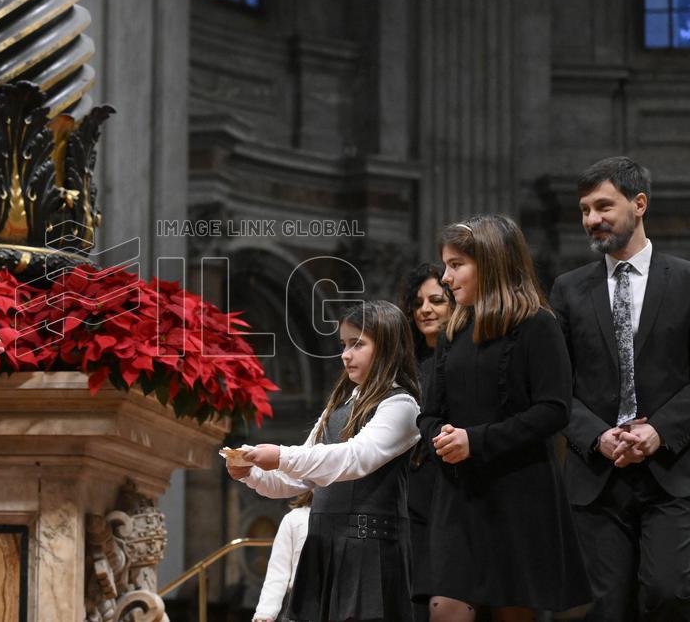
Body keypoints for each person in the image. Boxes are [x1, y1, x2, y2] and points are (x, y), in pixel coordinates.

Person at [417, 214, 590, 622]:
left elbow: (554, 410)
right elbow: (429, 414)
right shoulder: (453, 332)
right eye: (446, 265)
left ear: (491, 262)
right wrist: (440, 437)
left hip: (519, 491)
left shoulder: (538, 324)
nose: (446, 278)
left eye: (456, 265)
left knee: (513, 610)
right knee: (446, 608)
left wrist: (475, 441)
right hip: (459, 492)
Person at [550, 156, 690, 621]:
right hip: (596, 476)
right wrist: (597, 435)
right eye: (585, 210)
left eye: (603, 206)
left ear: (639, 204)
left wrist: (659, 430)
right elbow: (554, 386)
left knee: (669, 593)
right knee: (602, 610)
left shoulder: (686, 281)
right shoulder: (568, 289)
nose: (592, 219)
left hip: (672, 472)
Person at [228, 301, 421, 622]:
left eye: (357, 344)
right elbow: (299, 479)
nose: (345, 355)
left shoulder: (401, 405)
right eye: (344, 344)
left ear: (388, 347)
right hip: (323, 546)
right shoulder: (338, 407)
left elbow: (354, 458)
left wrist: (281, 455)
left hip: (368, 550)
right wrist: (251, 471)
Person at [398, 263, 454, 622]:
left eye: (436, 300)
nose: (425, 310)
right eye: (418, 303)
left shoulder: (465, 357)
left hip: (451, 483)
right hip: (410, 487)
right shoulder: (403, 364)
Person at [252, 491, 311, 622]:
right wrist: (264, 614)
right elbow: (278, 572)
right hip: (300, 607)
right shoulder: (294, 519)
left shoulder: (347, 518)